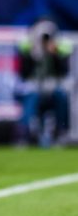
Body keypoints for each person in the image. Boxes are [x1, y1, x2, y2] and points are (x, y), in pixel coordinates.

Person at [15, 19, 72, 147]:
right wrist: (33, 55)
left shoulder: (59, 50)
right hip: (33, 89)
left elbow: (63, 72)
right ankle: (23, 133)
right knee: (32, 97)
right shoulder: (28, 49)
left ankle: (60, 132)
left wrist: (55, 55)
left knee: (61, 96)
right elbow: (23, 74)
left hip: (52, 89)